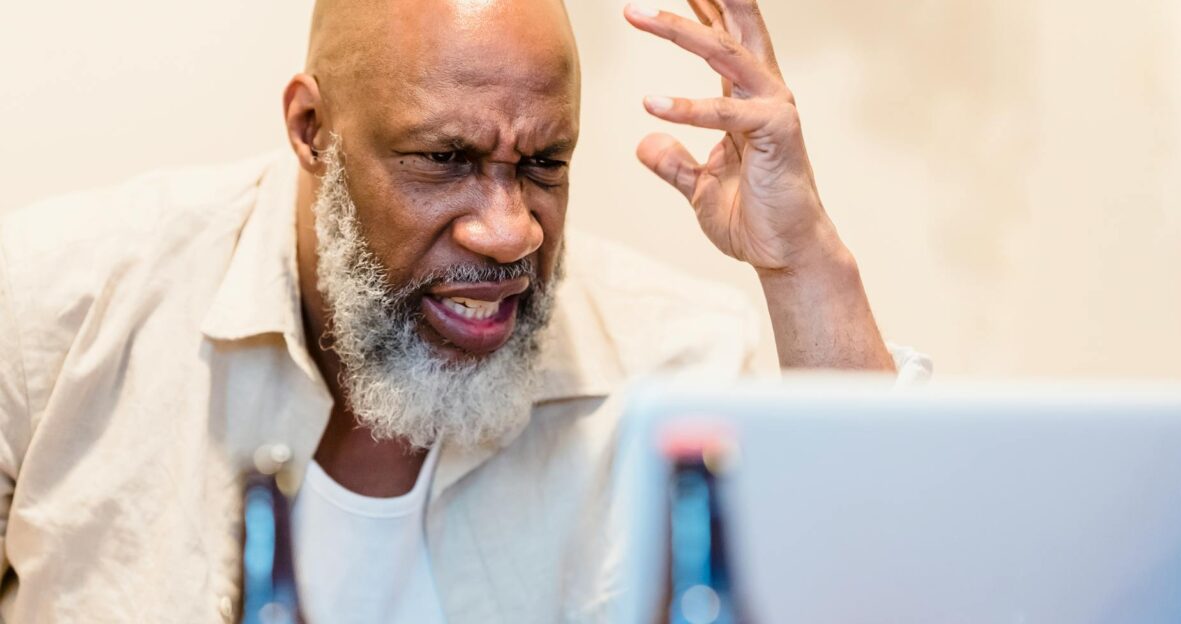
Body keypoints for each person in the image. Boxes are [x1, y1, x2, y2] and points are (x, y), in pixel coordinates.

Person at [0, 0, 929, 622]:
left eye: (544, 165)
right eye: (443, 161)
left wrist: (802, 261)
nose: (509, 231)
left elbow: (888, 588)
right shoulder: (63, 302)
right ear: (312, 131)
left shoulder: (675, 373)